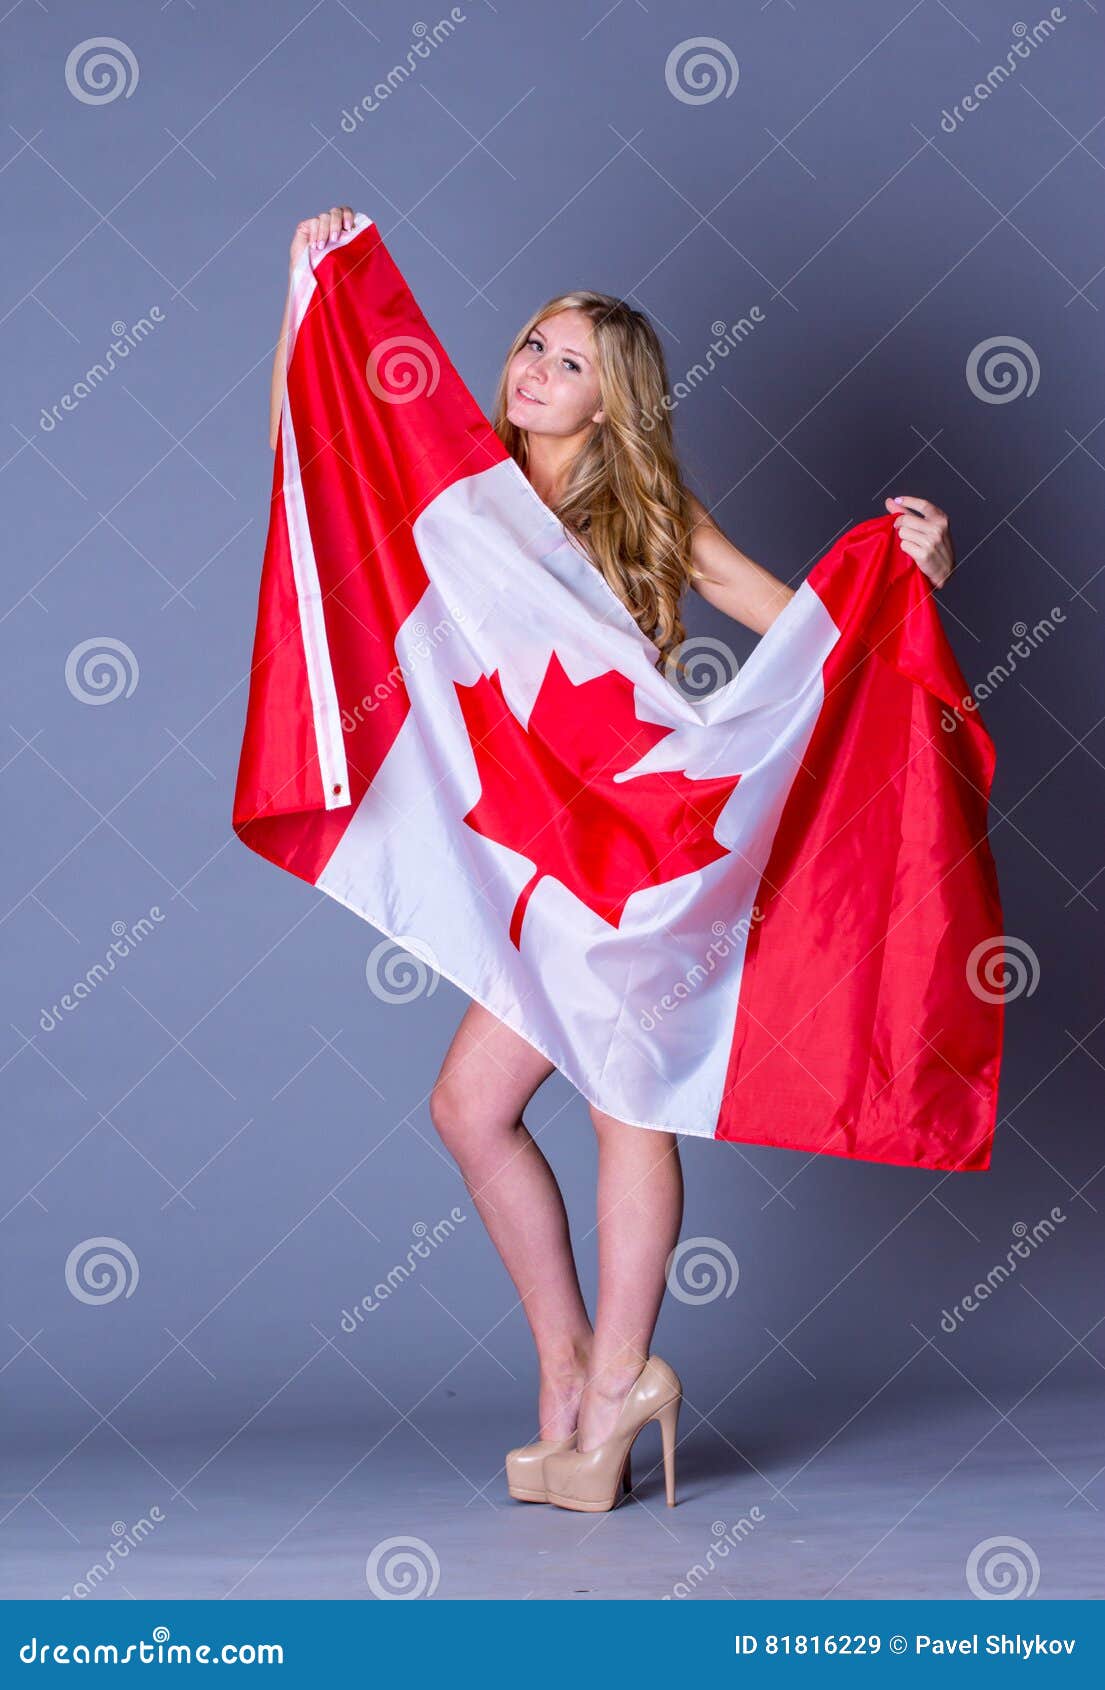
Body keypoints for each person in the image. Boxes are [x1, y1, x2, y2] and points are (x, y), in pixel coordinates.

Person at [270, 206, 956, 1513]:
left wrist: (915, 567)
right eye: (532, 342)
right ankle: (574, 1374)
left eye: (569, 360)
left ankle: (611, 1384)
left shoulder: (645, 505)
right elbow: (308, 450)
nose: (534, 367)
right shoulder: (454, 483)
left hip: (631, 849)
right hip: (528, 858)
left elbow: (802, 621)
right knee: (473, 1110)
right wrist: (305, 294)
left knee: (621, 1103)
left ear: (612, 399)